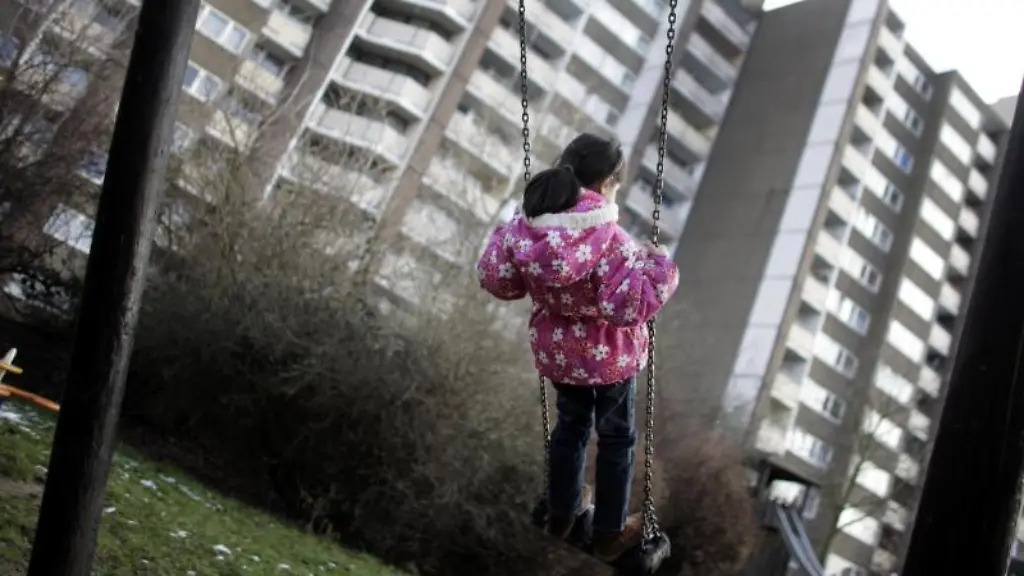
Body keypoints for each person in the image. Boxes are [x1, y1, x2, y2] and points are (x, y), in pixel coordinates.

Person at [476, 133, 679, 561]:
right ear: (607, 184)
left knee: (570, 429)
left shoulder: (527, 226)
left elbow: (499, 279)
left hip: (559, 356)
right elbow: (627, 307)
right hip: (611, 360)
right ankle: (608, 529)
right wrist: (658, 266)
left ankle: (562, 510)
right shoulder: (611, 239)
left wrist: (504, 235)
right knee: (617, 437)